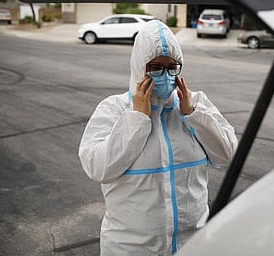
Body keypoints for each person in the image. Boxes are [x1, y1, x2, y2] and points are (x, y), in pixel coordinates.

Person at [78, 20, 238, 256]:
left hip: (192, 245)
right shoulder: (113, 109)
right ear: (139, 68)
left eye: (172, 67)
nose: (165, 75)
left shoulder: (195, 103)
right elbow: (98, 169)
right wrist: (136, 119)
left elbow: (226, 154)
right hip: (131, 249)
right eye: (155, 67)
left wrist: (193, 115)